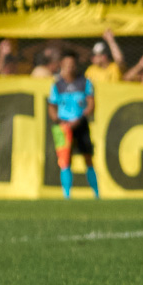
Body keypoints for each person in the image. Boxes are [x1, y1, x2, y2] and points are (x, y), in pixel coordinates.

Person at [46, 51, 99, 200]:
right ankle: (67, 195)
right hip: (64, 127)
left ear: (76, 65)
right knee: (65, 159)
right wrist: (60, 121)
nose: (70, 67)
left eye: (72, 64)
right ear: (62, 65)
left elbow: (91, 104)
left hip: (81, 124)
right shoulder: (57, 85)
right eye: (67, 64)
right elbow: (51, 107)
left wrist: (79, 119)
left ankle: (96, 193)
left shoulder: (84, 82)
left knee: (88, 157)